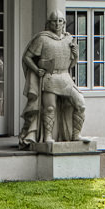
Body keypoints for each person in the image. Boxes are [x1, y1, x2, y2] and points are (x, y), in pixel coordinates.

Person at [19, 11, 86, 146]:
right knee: (50, 108)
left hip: (65, 76)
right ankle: (48, 136)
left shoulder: (69, 39)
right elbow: (27, 57)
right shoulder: (42, 39)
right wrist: (36, 70)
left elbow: (71, 64)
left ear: (64, 23)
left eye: (60, 21)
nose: (57, 24)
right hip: (50, 77)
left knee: (80, 104)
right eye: (54, 21)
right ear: (49, 23)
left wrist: (76, 55)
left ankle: (76, 134)